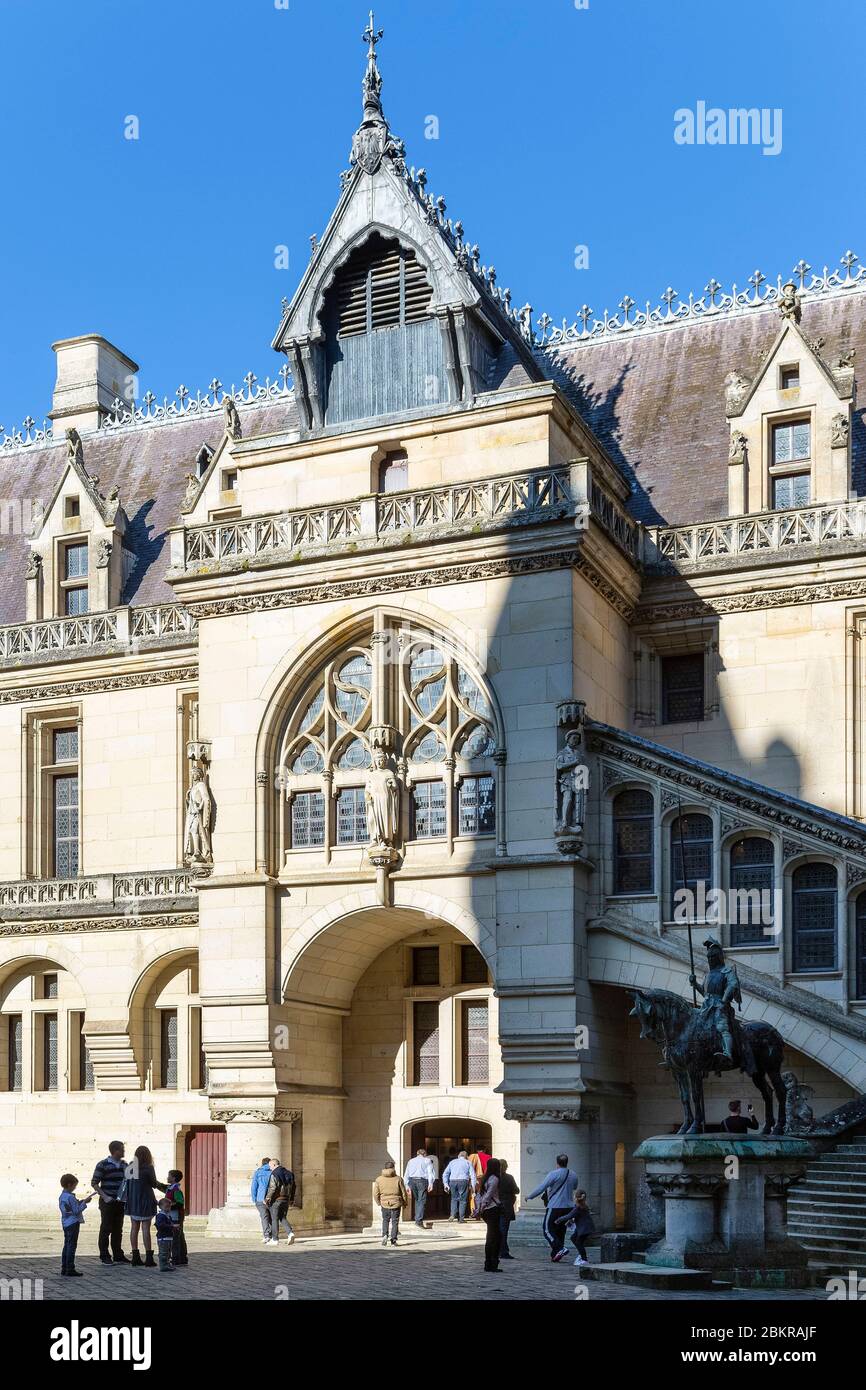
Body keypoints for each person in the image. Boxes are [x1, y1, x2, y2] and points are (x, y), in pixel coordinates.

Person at [527, 1153, 581, 1262]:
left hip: (555, 1206)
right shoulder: (573, 1174)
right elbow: (575, 1187)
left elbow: (542, 1187)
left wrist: (530, 1196)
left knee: (547, 1229)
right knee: (561, 1230)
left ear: (557, 1163)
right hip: (568, 1207)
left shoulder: (554, 1174)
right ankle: (556, 1253)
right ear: (567, 1162)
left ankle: (560, 1248)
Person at [124, 1146, 169, 1268]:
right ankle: (149, 1258)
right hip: (145, 1200)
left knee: (134, 1228)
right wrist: (165, 1187)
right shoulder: (148, 1168)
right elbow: (154, 1183)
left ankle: (135, 1257)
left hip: (132, 1201)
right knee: (145, 1228)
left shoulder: (130, 1167)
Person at [91, 1140, 129, 1265]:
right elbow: (94, 1183)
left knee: (118, 1229)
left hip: (120, 1201)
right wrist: (105, 1196)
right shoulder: (102, 1164)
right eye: (122, 1149)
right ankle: (104, 1255)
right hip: (107, 1202)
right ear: (115, 1151)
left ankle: (118, 1255)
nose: (124, 1151)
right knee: (106, 1228)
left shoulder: (125, 1165)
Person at [59, 1174, 93, 1277]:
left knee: (66, 1245)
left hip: (65, 1223)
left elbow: (68, 1208)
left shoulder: (62, 1196)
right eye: (74, 1186)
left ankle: (64, 1267)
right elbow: (76, 1210)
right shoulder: (70, 1197)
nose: (75, 1188)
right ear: (69, 1185)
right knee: (72, 1246)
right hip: (73, 1223)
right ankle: (70, 1268)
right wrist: (85, 1203)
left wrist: (80, 1202)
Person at [474, 1157, 503, 1273]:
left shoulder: (485, 1178)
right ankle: (492, 1263)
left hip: (486, 1210)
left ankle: (489, 1262)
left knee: (493, 1236)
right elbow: (489, 1194)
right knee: (494, 1237)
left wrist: (479, 1208)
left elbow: (479, 1195)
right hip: (492, 1209)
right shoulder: (495, 1179)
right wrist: (482, 1207)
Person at [555, 1188, 596, 1268]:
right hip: (583, 1228)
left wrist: (559, 1220)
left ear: (575, 1197)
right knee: (573, 1238)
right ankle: (582, 1255)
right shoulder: (582, 1206)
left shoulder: (578, 1208)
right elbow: (578, 1217)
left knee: (578, 1242)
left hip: (584, 1229)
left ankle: (584, 1259)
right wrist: (571, 1221)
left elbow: (569, 1215)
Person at [372, 1161, 408, 1246]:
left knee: (385, 1220)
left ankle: (385, 1235)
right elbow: (403, 1192)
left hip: (384, 1202)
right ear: (393, 1168)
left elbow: (375, 1193)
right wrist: (405, 1203)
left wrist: (378, 1202)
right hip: (396, 1202)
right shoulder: (398, 1179)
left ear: (385, 1168)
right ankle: (393, 1240)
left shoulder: (379, 1179)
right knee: (395, 1221)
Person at [264, 1159, 296, 1245]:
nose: (270, 1169)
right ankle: (290, 1233)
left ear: (274, 1165)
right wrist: (292, 1199)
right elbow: (294, 1187)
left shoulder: (274, 1174)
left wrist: (267, 1198)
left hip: (277, 1199)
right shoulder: (290, 1173)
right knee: (283, 1217)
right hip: (286, 1199)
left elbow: (272, 1187)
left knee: (274, 1219)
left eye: (270, 1166)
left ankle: (275, 1239)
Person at [442, 1150, 476, 1222]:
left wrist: (446, 1184)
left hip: (453, 1181)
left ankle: (453, 1214)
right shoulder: (468, 1162)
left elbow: (445, 1174)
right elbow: (473, 1175)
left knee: (454, 1198)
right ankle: (461, 1218)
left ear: (458, 1156)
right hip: (463, 1181)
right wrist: (473, 1187)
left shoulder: (452, 1162)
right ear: (466, 1157)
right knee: (463, 1200)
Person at [403, 1149, 434, 1226]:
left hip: (412, 1181)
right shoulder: (427, 1160)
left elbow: (406, 1173)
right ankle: (418, 1220)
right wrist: (431, 1183)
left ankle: (417, 1218)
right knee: (422, 1201)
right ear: (425, 1154)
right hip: (422, 1181)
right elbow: (430, 1173)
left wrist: (406, 1185)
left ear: (417, 1154)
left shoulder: (411, 1161)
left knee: (417, 1200)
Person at [498, 1158, 519, 1260]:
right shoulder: (509, 1178)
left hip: (495, 1207)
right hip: (506, 1206)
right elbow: (516, 1190)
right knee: (504, 1230)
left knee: (497, 1230)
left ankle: (500, 1250)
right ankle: (503, 1251)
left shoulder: (493, 1178)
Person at [165, 1170, 187, 1266]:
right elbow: (160, 1186)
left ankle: (176, 1258)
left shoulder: (176, 1190)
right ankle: (182, 1258)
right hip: (172, 1216)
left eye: (169, 1176)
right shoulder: (170, 1188)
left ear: (173, 1178)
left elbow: (180, 1203)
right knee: (179, 1236)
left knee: (176, 1238)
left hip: (176, 1217)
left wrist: (168, 1206)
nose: (167, 1177)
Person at [251, 1155, 273, 1243]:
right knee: (272, 1217)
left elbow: (254, 1187)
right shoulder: (272, 1171)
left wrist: (254, 1198)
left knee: (264, 1217)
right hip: (271, 1198)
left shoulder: (258, 1172)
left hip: (260, 1198)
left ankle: (266, 1235)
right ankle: (273, 1235)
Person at [154, 1198, 175, 1273]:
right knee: (163, 1252)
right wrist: (171, 1226)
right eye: (166, 1207)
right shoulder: (160, 1216)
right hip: (163, 1237)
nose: (168, 1208)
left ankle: (167, 1264)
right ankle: (163, 1265)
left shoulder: (168, 1215)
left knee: (168, 1252)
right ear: (160, 1207)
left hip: (169, 1237)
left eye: (169, 1207)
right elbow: (160, 1225)